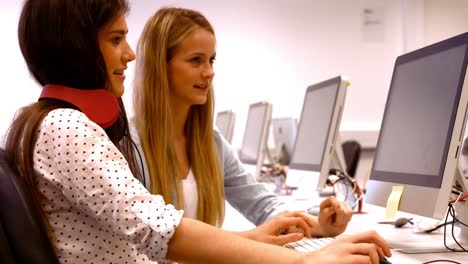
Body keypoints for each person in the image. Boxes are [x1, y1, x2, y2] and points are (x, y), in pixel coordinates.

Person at [4, 1, 391, 263]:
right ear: (75, 46)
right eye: (116, 39)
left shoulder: (42, 122)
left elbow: (154, 232)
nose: (130, 53)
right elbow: (162, 232)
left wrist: (260, 240)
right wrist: (307, 260)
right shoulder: (68, 128)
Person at [133, 6, 351, 240]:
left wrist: (317, 227)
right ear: (160, 66)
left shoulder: (210, 141)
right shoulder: (130, 145)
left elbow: (262, 204)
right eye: (196, 60)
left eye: (211, 60)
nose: (209, 72)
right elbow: (152, 242)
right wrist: (251, 239)